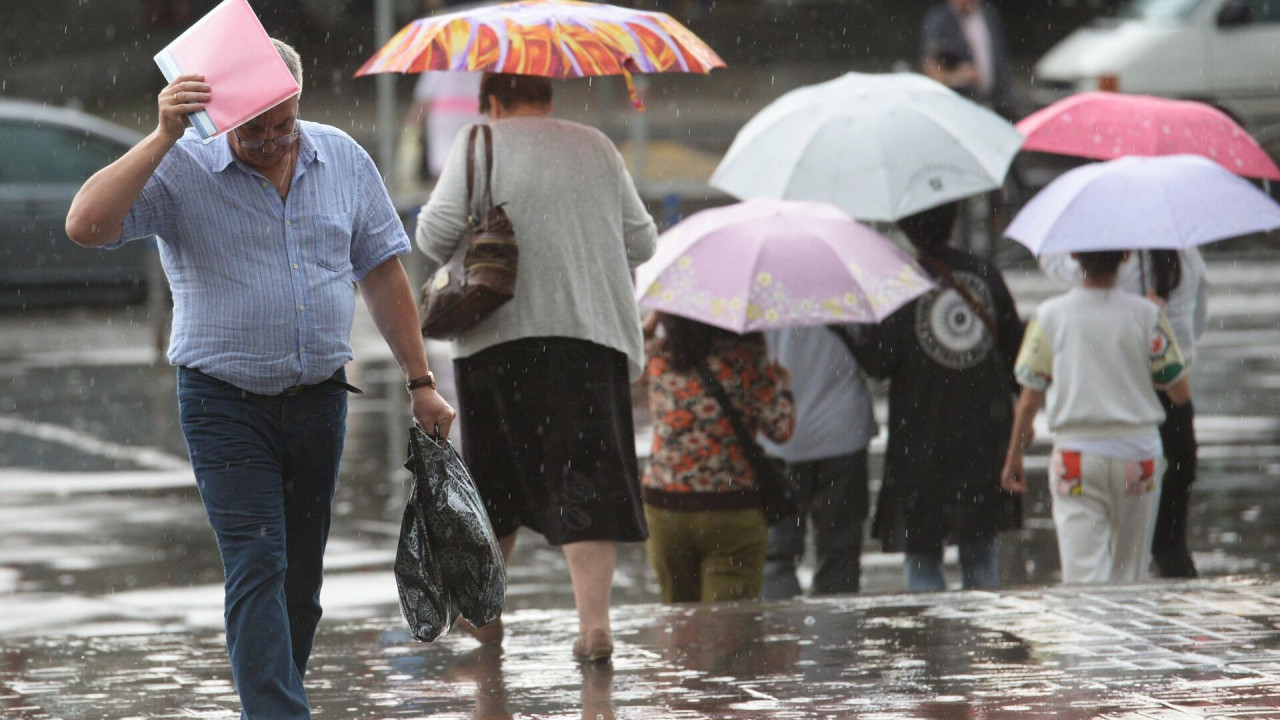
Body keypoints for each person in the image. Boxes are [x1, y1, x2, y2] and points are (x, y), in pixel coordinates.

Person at [63, 40, 456, 720]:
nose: (272, 141)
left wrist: (420, 380)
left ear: (299, 100)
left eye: (284, 123)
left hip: (319, 401)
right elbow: (85, 225)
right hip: (223, 402)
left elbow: (384, 271)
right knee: (258, 564)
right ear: (218, 116)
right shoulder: (182, 166)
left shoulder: (342, 160)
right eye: (253, 129)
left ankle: (272, 702)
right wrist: (161, 136)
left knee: (300, 583)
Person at [416, 72, 657, 662]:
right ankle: (594, 624)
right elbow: (644, 242)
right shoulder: (595, 145)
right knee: (588, 482)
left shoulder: (479, 141)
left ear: (492, 102)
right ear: (549, 97)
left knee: (496, 481)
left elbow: (432, 235)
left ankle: (488, 612)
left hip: (499, 342)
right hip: (588, 340)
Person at [854, 201, 1023, 592]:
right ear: (951, 223)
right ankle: (984, 646)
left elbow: (880, 362)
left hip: (920, 441)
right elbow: (1018, 358)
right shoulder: (985, 274)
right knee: (980, 557)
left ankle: (928, 643)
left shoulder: (898, 285)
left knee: (921, 556)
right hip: (983, 436)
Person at [1002, 250, 1192, 584]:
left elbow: (1030, 397)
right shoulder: (1146, 315)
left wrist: (1014, 454)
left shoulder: (1049, 316)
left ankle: (1089, 634)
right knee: (1129, 572)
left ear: (1074, 255)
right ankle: (1126, 633)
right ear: (1125, 256)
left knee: (1081, 575)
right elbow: (1178, 392)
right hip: (1139, 457)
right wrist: (1158, 325)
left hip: (1076, 457)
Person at [641, 313, 795, 603]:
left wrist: (652, 319)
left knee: (679, 621)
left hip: (665, 507)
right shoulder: (747, 358)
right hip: (732, 507)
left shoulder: (659, 355)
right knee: (729, 629)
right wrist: (783, 387)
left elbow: (624, 356)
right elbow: (780, 429)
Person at [759, 325, 876, 598]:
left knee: (776, 556)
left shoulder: (756, 292)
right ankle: (836, 634)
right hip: (843, 431)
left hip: (779, 435)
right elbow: (876, 356)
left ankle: (782, 632)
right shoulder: (844, 289)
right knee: (841, 551)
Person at [921, 0, 1015, 118]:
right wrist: (960, 75)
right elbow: (932, 66)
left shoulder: (989, 14)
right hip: (960, 106)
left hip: (995, 103)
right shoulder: (939, 20)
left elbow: (1000, 58)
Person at [409, 71, 483, 182]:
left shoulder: (440, 62)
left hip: (444, 116)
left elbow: (424, 97)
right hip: (475, 115)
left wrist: (412, 125)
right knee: (473, 162)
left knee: (444, 161)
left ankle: (446, 192)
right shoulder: (484, 61)